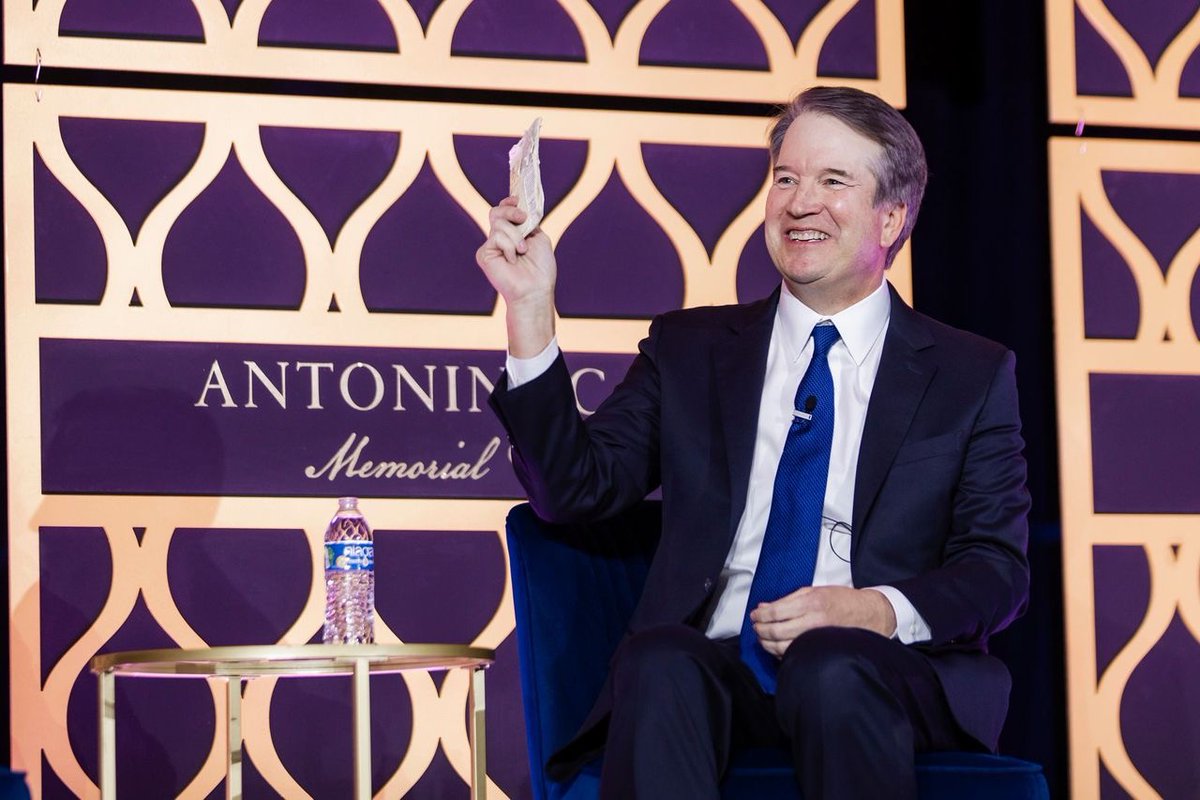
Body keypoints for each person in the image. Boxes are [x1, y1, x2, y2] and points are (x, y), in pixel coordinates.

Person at [476, 86, 1030, 800]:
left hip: (877, 673)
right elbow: (573, 492)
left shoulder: (970, 374)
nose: (800, 202)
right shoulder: (690, 349)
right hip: (715, 668)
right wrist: (528, 309)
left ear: (890, 217)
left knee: (834, 663)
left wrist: (873, 610)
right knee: (659, 660)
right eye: (786, 179)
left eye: (834, 181)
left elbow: (995, 569)